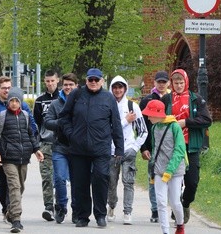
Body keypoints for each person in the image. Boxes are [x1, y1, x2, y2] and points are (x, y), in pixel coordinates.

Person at [58, 68, 124, 228]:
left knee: (101, 179)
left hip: (101, 148)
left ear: (102, 81)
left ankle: (100, 214)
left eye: (96, 80)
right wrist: (70, 134)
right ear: (86, 80)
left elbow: (116, 124)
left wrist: (119, 149)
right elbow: (64, 117)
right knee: (80, 183)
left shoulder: (108, 98)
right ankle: (82, 216)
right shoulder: (76, 95)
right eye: (90, 80)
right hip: (78, 148)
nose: (93, 82)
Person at [0, 87, 44, 233]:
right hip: (7, 158)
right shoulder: (1, 116)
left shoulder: (26, 116)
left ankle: (10, 211)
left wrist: (36, 150)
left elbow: (30, 135)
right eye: (12, 101)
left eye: (17, 101)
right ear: (8, 102)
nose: (14, 103)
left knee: (20, 187)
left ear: (21, 102)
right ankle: (16, 220)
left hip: (23, 158)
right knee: (14, 186)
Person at [161, 69, 212, 224]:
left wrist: (186, 123)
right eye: (175, 83)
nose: (178, 86)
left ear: (186, 82)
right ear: (172, 83)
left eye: (181, 82)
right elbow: (157, 119)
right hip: (172, 147)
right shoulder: (167, 99)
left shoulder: (196, 99)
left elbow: (206, 120)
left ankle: (185, 204)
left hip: (191, 146)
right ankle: (176, 208)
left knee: (192, 182)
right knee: (174, 182)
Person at [141, 99, 187, 234]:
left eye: (150, 114)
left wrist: (170, 171)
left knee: (175, 203)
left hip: (175, 171)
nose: (148, 117)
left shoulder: (174, 127)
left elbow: (179, 150)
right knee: (160, 202)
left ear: (158, 114)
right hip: (159, 170)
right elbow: (155, 149)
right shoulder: (154, 128)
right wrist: (152, 171)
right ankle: (165, 231)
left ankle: (180, 225)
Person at [107, 76, 148, 224]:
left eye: (120, 87)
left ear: (125, 89)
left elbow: (143, 131)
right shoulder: (107, 105)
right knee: (111, 182)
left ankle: (127, 212)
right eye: (115, 87)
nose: (118, 90)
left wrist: (135, 147)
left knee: (128, 181)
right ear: (111, 88)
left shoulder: (132, 106)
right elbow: (107, 130)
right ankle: (111, 206)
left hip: (128, 149)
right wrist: (125, 121)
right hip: (111, 151)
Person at [43, 73, 79, 224]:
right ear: (62, 86)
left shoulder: (82, 101)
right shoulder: (56, 104)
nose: (68, 87)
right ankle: (61, 207)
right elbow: (47, 122)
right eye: (65, 85)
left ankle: (76, 209)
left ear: (76, 86)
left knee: (78, 181)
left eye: (71, 84)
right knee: (59, 178)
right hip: (60, 147)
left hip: (78, 148)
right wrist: (62, 122)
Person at [139, 70, 171, 223]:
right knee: (153, 177)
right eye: (159, 82)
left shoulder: (172, 99)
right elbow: (141, 126)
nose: (161, 84)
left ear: (168, 83)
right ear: (155, 83)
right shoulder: (146, 101)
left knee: (172, 177)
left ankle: (172, 206)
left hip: (169, 145)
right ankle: (155, 209)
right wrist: (143, 147)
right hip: (152, 147)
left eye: (164, 82)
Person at [33, 69, 59, 221]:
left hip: (62, 144)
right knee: (46, 177)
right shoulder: (39, 101)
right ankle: (49, 207)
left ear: (57, 80)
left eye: (52, 81)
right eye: (47, 81)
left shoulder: (64, 99)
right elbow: (36, 123)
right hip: (45, 143)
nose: (50, 84)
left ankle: (61, 206)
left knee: (61, 178)